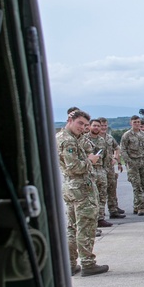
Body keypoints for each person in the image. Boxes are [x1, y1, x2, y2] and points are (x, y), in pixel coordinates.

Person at [56, 108, 108, 276]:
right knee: (85, 225)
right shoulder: (68, 141)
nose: (82, 127)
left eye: (85, 125)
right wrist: (90, 161)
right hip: (80, 188)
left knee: (72, 227)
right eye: (80, 123)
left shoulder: (69, 138)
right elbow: (74, 167)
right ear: (69, 120)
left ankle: (70, 263)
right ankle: (87, 263)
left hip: (72, 188)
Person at [120, 114, 144, 215]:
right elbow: (123, 149)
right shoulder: (127, 135)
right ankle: (140, 207)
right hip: (133, 162)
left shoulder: (143, 135)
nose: (137, 124)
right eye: (135, 122)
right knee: (136, 184)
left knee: (143, 184)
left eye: (138, 122)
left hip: (142, 162)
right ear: (131, 123)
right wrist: (128, 161)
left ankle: (137, 205)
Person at [86, 119, 113, 228]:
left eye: (98, 126)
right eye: (94, 126)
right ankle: (91, 220)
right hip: (90, 170)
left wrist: (106, 170)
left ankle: (100, 218)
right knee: (91, 197)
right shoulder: (85, 140)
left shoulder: (102, 140)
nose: (96, 128)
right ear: (90, 126)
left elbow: (106, 156)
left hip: (101, 170)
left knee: (102, 195)